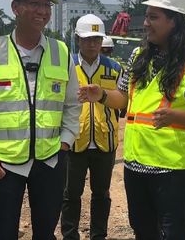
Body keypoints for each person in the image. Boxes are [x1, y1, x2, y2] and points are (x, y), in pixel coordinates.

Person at [78, 0, 185, 240]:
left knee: (174, 233)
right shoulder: (138, 56)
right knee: (142, 230)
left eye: (153, 17)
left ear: (174, 21)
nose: (145, 23)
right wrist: (101, 95)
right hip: (135, 164)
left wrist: (178, 116)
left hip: (172, 170)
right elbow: (123, 99)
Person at [0, 0, 80, 240]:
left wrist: (66, 140)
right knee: (4, 233)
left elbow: (72, 104)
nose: (42, 11)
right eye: (34, 3)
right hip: (4, 166)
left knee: (45, 232)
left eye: (46, 4)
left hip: (50, 160)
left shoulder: (60, 52)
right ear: (15, 7)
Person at [61, 14, 122, 240]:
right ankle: (70, 235)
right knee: (71, 194)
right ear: (78, 39)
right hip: (75, 141)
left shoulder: (114, 69)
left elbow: (123, 102)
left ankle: (98, 235)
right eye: (87, 39)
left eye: (96, 39)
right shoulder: (67, 67)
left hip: (105, 142)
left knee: (101, 194)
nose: (92, 44)